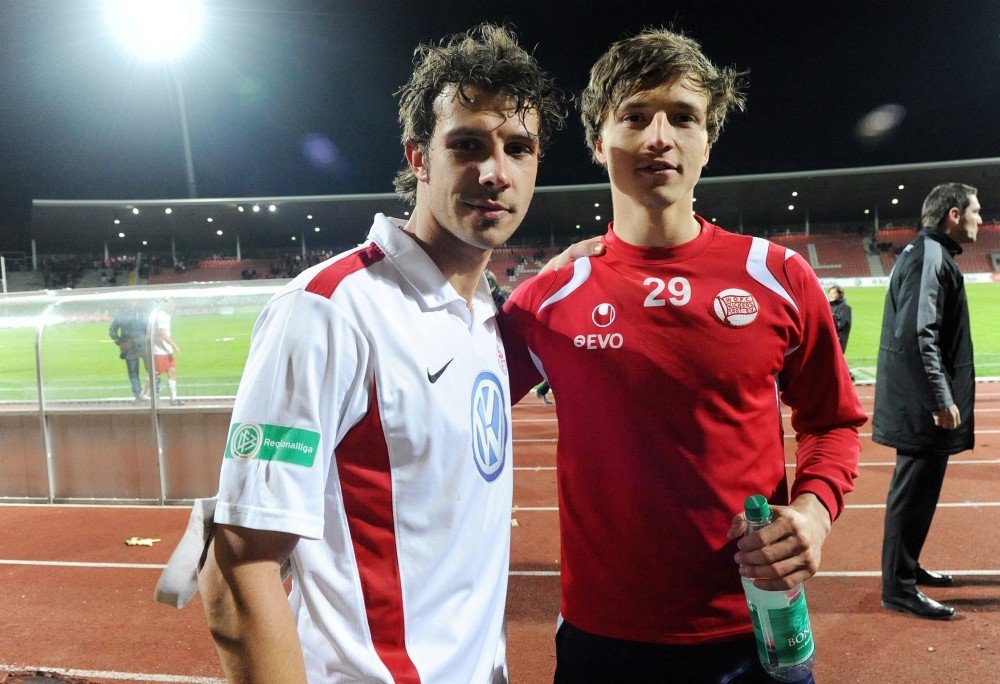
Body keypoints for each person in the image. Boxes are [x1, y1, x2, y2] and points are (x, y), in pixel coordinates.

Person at [196, 24, 566, 683]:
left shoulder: (483, 317)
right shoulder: (328, 311)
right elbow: (235, 567)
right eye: (467, 144)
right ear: (418, 156)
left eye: (518, 148)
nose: (495, 172)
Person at [500, 28, 866, 682]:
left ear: (707, 140)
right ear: (598, 142)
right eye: (634, 116)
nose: (659, 137)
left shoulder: (779, 277)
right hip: (603, 637)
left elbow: (832, 420)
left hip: (756, 626)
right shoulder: (546, 300)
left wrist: (813, 512)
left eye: (683, 117)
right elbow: (450, 411)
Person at [874, 182, 980, 621]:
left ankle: (907, 567)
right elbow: (918, 334)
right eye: (974, 211)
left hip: (919, 401)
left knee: (921, 494)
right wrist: (939, 397)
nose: (980, 219)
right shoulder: (930, 255)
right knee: (912, 493)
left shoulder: (930, 253)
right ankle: (898, 588)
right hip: (921, 405)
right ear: (953, 214)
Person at [108, 300, 149, 400]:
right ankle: (138, 395)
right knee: (133, 372)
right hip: (129, 347)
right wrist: (119, 342)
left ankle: (153, 392)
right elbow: (112, 330)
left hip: (143, 345)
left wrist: (150, 340)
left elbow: (149, 327)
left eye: (133, 301)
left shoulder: (142, 312)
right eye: (130, 301)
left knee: (151, 370)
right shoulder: (122, 315)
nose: (131, 302)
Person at [151, 299, 183, 406]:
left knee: (172, 372)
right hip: (160, 351)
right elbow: (162, 334)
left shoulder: (164, 316)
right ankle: (145, 396)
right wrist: (175, 345)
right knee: (155, 376)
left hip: (166, 350)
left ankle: (173, 399)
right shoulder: (162, 317)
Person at [827, 284, 852, 353]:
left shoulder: (845, 308)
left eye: (834, 293)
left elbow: (841, 324)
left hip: (838, 340)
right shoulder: (828, 306)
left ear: (840, 294)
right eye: (830, 293)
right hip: (828, 339)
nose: (831, 295)